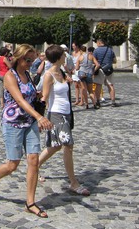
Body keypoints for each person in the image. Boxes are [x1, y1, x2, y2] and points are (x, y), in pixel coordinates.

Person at [0, 44, 53, 218]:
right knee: (12, 165)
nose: (31, 63)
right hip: (13, 123)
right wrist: (40, 117)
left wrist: (39, 95)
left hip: (29, 122)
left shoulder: (27, 75)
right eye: (28, 60)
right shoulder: (10, 76)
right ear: (19, 58)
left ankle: (30, 202)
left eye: (32, 60)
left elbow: (29, 97)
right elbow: (21, 101)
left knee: (33, 160)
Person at [38, 44, 90, 196]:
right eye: (63, 55)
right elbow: (44, 97)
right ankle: (73, 183)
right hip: (56, 114)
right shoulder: (49, 75)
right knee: (68, 145)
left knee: (55, 147)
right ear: (58, 57)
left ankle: (34, 165)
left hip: (66, 113)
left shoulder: (61, 71)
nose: (65, 56)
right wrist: (39, 117)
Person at [93, 38, 117, 107]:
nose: (97, 44)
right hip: (109, 70)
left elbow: (94, 61)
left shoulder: (96, 51)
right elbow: (114, 60)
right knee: (111, 85)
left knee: (98, 85)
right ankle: (113, 101)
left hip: (100, 69)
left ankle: (98, 101)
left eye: (97, 43)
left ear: (99, 43)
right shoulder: (110, 50)